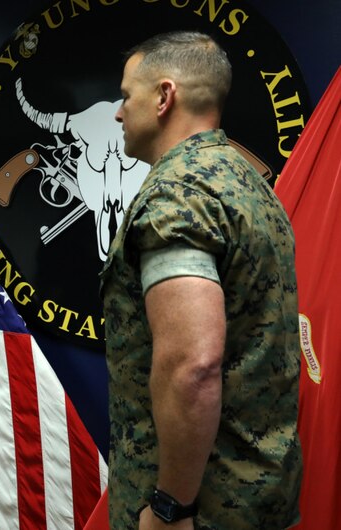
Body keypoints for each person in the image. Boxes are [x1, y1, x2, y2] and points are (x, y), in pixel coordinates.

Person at [100, 31, 302, 529]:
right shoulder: (246, 180)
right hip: (260, 494)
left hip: (203, 510)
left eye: (127, 96)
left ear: (165, 96)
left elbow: (193, 364)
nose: (119, 112)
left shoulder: (181, 196)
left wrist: (171, 506)